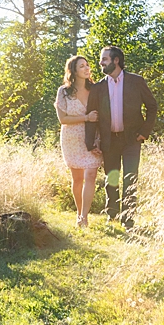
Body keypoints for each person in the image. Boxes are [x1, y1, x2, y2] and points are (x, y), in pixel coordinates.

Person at [85, 46, 158, 229]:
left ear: (116, 60)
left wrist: (144, 132)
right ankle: (112, 215)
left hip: (132, 139)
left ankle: (128, 219)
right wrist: (90, 142)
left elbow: (152, 106)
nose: (101, 63)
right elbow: (91, 115)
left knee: (130, 178)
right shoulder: (98, 88)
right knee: (112, 178)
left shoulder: (136, 81)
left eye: (105, 59)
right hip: (109, 140)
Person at [54, 55, 103, 228]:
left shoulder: (95, 90)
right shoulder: (64, 92)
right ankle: (78, 212)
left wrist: (98, 139)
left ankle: (84, 217)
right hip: (71, 139)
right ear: (73, 70)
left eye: (87, 65)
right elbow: (63, 119)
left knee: (91, 174)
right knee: (77, 178)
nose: (86, 68)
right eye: (82, 66)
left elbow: (102, 116)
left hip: (91, 138)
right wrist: (86, 118)